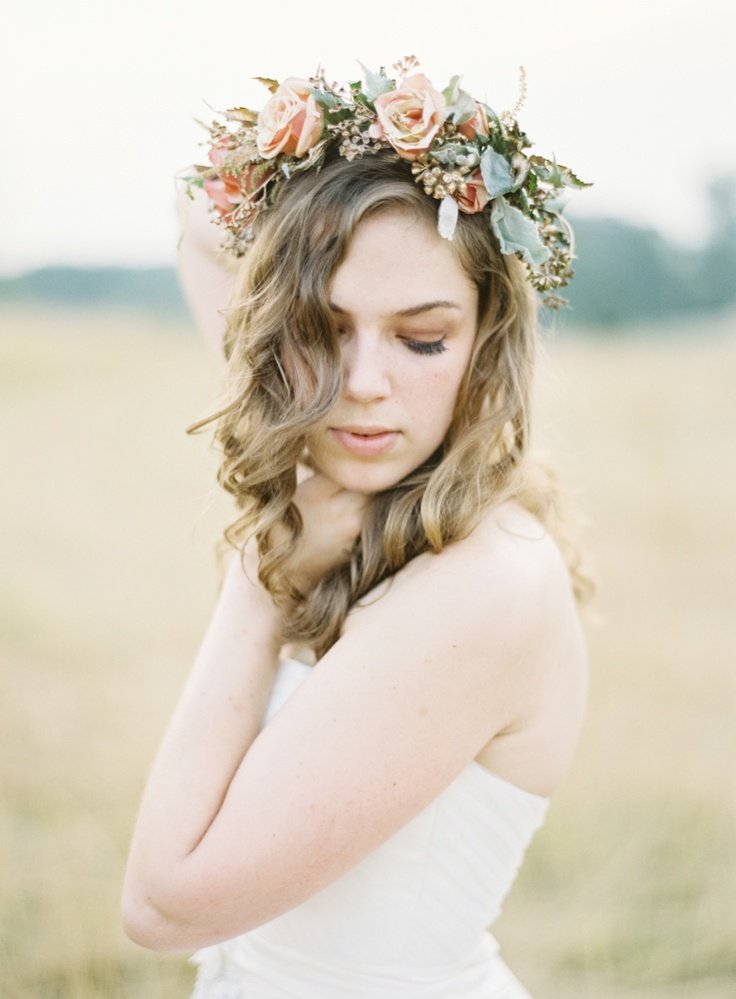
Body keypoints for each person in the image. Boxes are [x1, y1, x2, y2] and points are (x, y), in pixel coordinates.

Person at [122, 60, 590, 998]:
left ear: (485, 340)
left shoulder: (486, 583)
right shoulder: (364, 477)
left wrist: (260, 582)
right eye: (321, 327)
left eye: (422, 339)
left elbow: (162, 906)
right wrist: (321, 158)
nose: (363, 382)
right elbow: (194, 218)